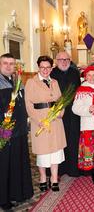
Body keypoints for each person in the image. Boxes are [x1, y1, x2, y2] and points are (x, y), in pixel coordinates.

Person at [25, 56, 66, 192]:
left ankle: (54, 179)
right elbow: (28, 104)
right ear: (38, 67)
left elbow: (61, 100)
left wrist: (60, 112)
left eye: (48, 67)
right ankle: (43, 177)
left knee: (55, 151)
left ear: (51, 68)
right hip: (41, 121)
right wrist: (39, 120)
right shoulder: (31, 82)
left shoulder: (55, 81)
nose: (45, 70)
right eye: (42, 67)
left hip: (55, 121)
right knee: (42, 152)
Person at [0, 53, 33, 210]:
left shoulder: (17, 81)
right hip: (4, 132)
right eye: (5, 63)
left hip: (19, 130)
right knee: (4, 165)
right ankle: (3, 199)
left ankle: (17, 193)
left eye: (11, 63)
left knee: (17, 163)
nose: (8, 66)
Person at [50, 51, 81, 177]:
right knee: (59, 140)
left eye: (66, 59)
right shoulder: (52, 74)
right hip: (58, 112)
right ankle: (60, 169)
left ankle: (73, 168)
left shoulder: (75, 72)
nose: (64, 61)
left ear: (70, 60)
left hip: (73, 111)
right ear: (56, 61)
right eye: (61, 59)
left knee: (73, 139)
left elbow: (79, 90)